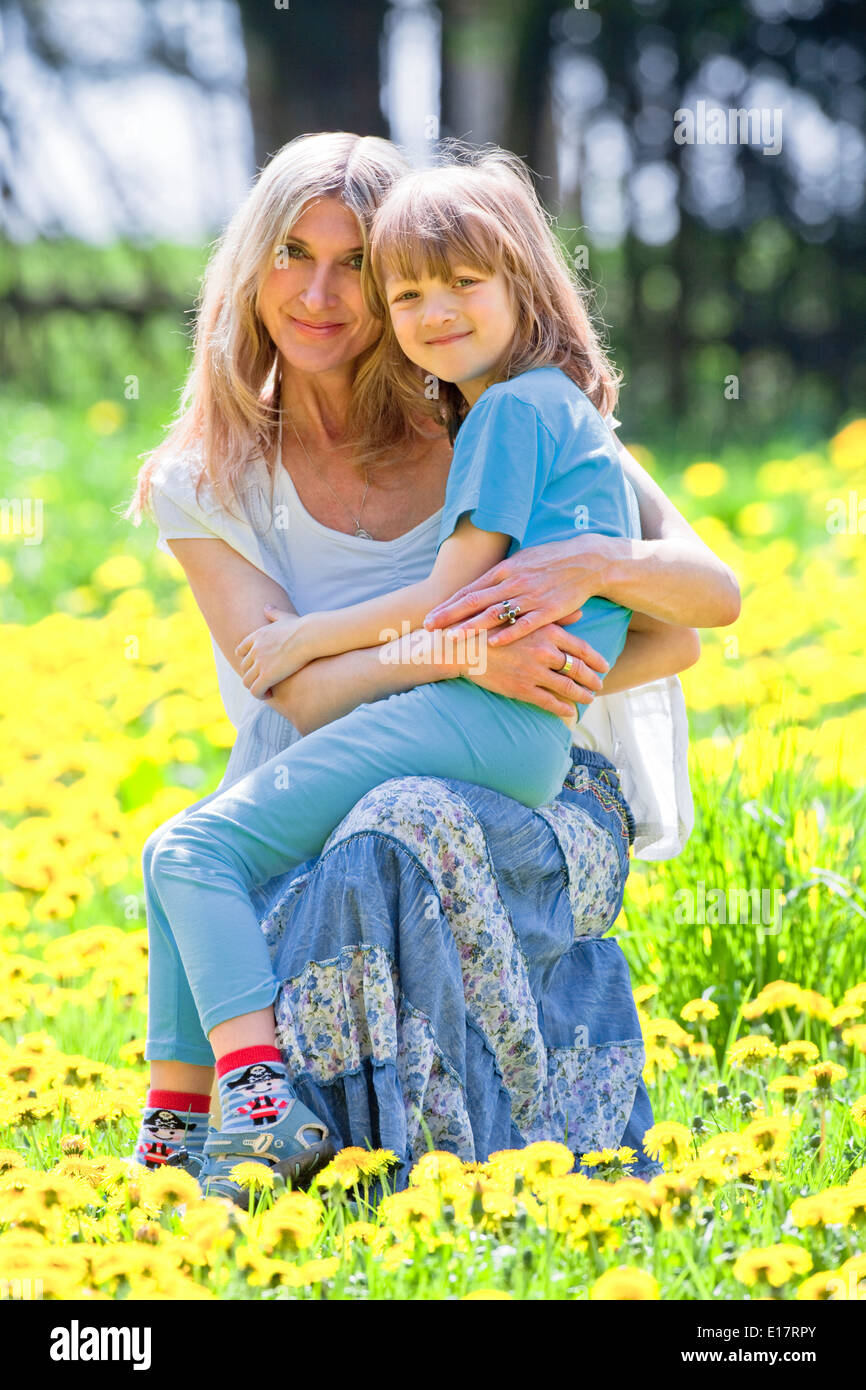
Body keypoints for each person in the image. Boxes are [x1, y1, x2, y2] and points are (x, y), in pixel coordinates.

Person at [125, 131, 739, 1202]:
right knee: (239, 844)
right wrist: (473, 659)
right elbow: (302, 697)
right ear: (247, 268)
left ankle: (342, 1135)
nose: (319, 292)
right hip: (401, 736)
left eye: (358, 262)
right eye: (289, 254)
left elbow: (695, 610)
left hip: (525, 772)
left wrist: (586, 569)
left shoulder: (491, 410)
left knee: (382, 826)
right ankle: (209, 1131)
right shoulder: (207, 478)